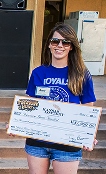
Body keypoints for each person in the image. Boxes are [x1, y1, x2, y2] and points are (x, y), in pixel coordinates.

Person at [23, 23, 97, 174]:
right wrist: (17, 124)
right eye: (55, 41)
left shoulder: (81, 74)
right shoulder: (38, 73)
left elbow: (89, 107)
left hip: (68, 142)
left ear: (71, 47)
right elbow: (29, 104)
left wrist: (89, 135)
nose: (60, 46)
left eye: (65, 42)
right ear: (49, 45)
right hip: (38, 141)